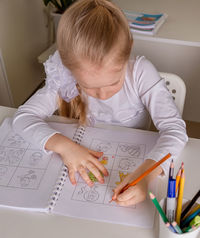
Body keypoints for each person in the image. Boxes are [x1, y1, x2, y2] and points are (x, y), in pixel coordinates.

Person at [12, 0, 188, 206]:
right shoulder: (64, 75)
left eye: (113, 83)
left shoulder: (141, 73)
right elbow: (22, 118)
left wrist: (145, 176)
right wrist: (64, 146)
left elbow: (175, 131)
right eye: (88, 86)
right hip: (85, 159)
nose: (102, 95)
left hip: (130, 159)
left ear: (127, 51)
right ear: (70, 68)